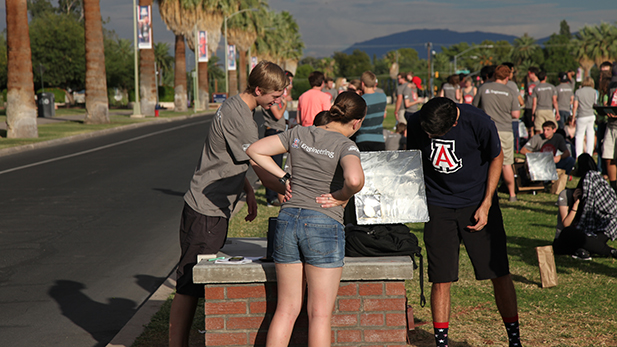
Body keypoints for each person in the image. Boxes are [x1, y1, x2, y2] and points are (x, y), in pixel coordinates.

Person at [168, 61, 288, 347]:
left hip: (209, 207)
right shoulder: (243, 119)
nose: (278, 100)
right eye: (274, 95)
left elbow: (230, 156)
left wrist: (246, 189)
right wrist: (288, 187)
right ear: (258, 89)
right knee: (189, 283)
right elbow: (262, 167)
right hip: (206, 212)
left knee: (192, 280)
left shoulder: (238, 106)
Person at [246, 91, 366, 347]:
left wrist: (284, 178)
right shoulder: (346, 145)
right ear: (356, 122)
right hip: (324, 223)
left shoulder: (299, 133)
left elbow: (255, 150)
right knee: (320, 314)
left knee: (286, 310)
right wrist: (340, 196)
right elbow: (355, 180)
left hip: (288, 219)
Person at [407, 97, 522, 347]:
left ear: (453, 123)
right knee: (441, 277)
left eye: (433, 134)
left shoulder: (478, 121)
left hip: (476, 202)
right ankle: (441, 343)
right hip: (438, 204)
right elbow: (413, 161)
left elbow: (497, 157)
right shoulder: (417, 121)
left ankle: (515, 340)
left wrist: (487, 203)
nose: (429, 137)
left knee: (499, 272)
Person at [553, 154, 617, 260]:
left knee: (599, 232)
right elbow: (566, 224)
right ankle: (610, 251)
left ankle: (585, 250)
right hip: (567, 237)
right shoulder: (565, 195)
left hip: (587, 235)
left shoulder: (592, 201)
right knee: (570, 233)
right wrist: (576, 204)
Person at [473, 65, 520, 202]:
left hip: (487, 129)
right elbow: (516, 114)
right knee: (506, 164)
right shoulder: (510, 91)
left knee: (486, 162)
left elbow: (474, 108)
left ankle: (485, 193)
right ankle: (512, 195)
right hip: (505, 130)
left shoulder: (483, 88)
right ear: (507, 77)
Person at [262, 90, 288, 206]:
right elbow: (277, 115)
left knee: (276, 165)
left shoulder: (273, 102)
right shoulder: (272, 104)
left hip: (276, 131)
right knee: (274, 167)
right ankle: (271, 198)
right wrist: (285, 106)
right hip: (274, 132)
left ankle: (273, 196)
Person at [355, 71, 387, 151]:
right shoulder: (383, 97)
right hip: (379, 139)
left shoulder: (361, 100)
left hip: (363, 138)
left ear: (362, 83)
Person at [572, 76, 598, 157]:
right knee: (590, 134)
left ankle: (578, 155)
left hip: (581, 115)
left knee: (579, 135)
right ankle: (589, 154)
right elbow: (595, 103)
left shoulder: (578, 92)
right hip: (591, 115)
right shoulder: (594, 92)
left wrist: (573, 117)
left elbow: (575, 106)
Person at [523, 67, 540, 137]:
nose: (528, 75)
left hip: (536, 107)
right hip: (528, 106)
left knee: (536, 127)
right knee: (529, 127)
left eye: (529, 73)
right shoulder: (528, 83)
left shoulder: (539, 83)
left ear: (533, 74)